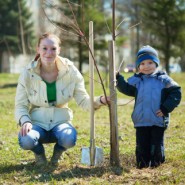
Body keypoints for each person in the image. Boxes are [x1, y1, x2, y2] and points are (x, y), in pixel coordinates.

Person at [15, 33, 108, 165]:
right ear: (38, 49)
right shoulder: (27, 73)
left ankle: (58, 152)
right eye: (44, 48)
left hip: (60, 122)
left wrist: (101, 100)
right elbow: (20, 105)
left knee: (69, 138)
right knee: (26, 139)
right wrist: (25, 121)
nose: (49, 53)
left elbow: (84, 101)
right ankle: (39, 153)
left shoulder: (70, 72)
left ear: (59, 50)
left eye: (53, 49)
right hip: (37, 123)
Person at [116, 45, 181, 169]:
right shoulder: (137, 81)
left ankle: (156, 166)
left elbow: (176, 92)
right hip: (141, 121)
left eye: (150, 62)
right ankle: (142, 166)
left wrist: (165, 108)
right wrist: (118, 78)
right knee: (142, 145)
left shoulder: (163, 80)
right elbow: (126, 88)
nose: (146, 66)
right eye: (143, 63)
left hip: (157, 120)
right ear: (138, 66)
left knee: (156, 145)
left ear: (156, 64)